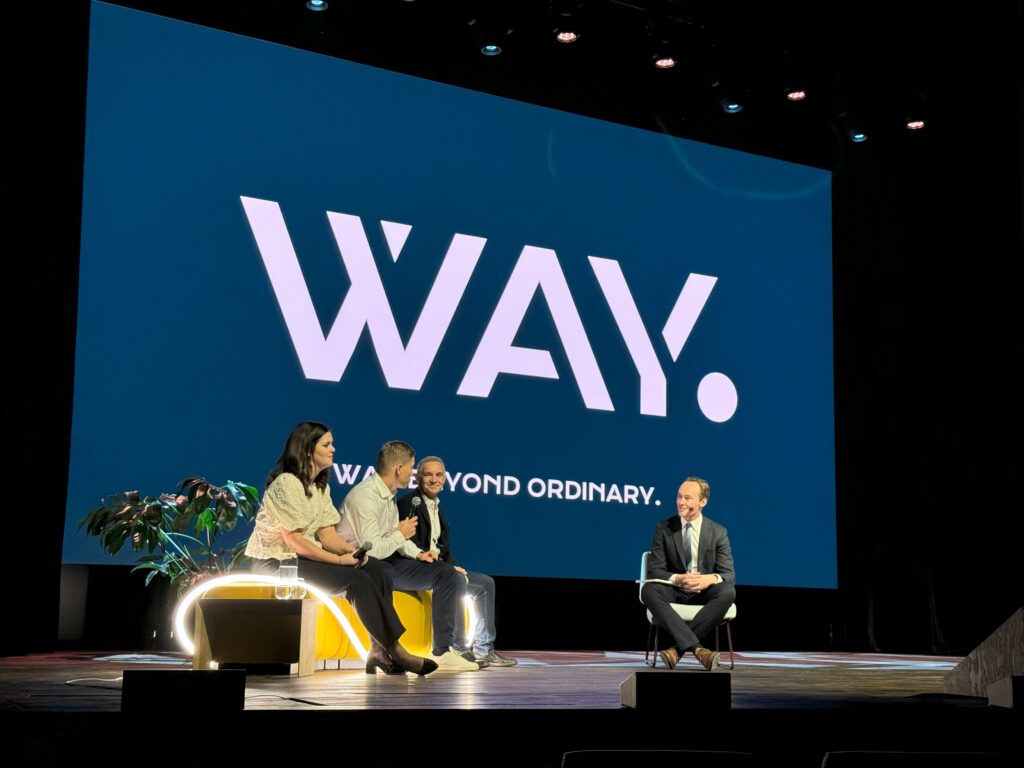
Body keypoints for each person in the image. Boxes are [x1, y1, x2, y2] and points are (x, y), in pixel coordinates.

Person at [244, 421, 437, 676]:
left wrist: (353, 553)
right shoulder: (287, 483)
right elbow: (293, 540)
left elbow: (326, 534)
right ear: (307, 450)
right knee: (356, 580)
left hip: (302, 558)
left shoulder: (319, 487)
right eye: (326, 444)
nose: (333, 449)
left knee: (377, 568)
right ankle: (397, 650)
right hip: (278, 562)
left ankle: (377, 650)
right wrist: (338, 562)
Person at [337, 441, 479, 671]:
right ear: (398, 469)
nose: (413, 474)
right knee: (392, 571)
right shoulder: (366, 497)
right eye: (412, 468)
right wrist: (400, 533)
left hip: (384, 563)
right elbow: (372, 549)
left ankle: (443, 649)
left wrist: (419, 553)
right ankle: (408, 650)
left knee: (446, 573)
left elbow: (396, 539)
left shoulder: (389, 495)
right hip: (361, 565)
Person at [396, 456, 517, 668]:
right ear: (418, 477)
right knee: (455, 579)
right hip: (417, 567)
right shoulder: (409, 503)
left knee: (485, 583)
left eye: (439, 475)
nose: (434, 479)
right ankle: (459, 649)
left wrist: (453, 565)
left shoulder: (438, 509)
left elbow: (444, 548)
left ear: (445, 479)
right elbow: (404, 544)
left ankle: (484, 650)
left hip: (441, 567)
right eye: (428, 474)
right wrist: (448, 568)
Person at [640, 476, 735, 671]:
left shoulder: (718, 532)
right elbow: (655, 570)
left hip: (703, 592)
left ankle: (677, 650)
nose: (681, 502)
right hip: (675, 588)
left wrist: (708, 579)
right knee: (648, 590)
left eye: (688, 498)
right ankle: (699, 650)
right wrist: (678, 578)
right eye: (679, 496)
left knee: (727, 592)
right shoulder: (664, 528)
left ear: (703, 502)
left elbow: (728, 575)